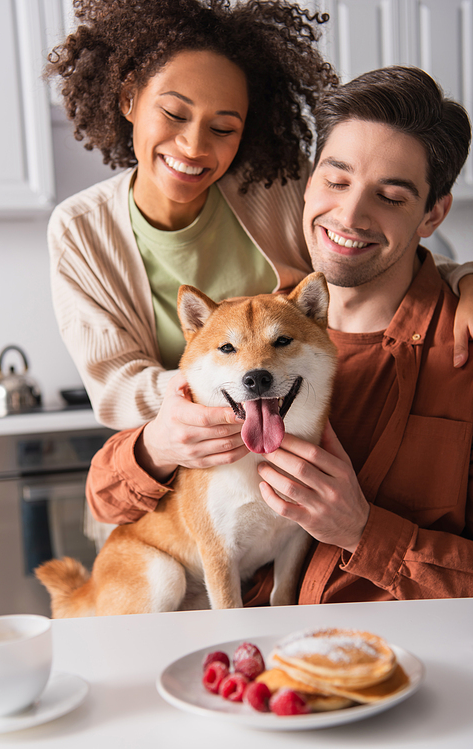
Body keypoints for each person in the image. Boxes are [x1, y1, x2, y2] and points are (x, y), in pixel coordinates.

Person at [87, 65, 473, 604]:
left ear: (433, 212)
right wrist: (158, 444)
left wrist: (364, 533)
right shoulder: (258, 318)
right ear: (308, 183)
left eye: (390, 196)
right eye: (335, 181)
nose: (350, 215)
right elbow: (105, 500)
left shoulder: (462, 347)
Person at [49, 0, 473, 480]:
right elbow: (115, 388)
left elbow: (367, 250)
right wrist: (220, 387)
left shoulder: (278, 186)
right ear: (128, 98)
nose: (193, 146)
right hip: (189, 454)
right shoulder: (79, 229)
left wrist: (464, 277)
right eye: (173, 113)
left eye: (224, 127)